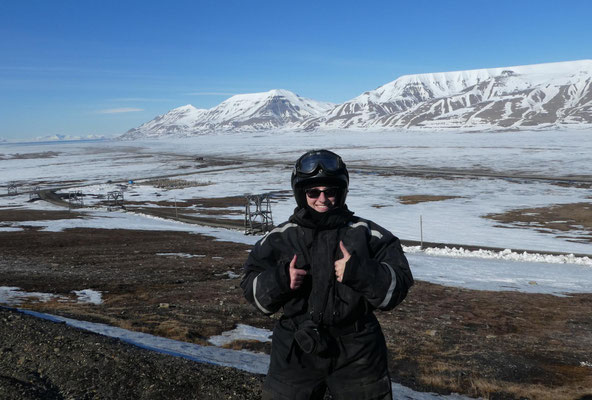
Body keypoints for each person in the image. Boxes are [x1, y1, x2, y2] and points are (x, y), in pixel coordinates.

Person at [241, 149, 413, 400]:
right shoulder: (280, 237)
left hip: (358, 351)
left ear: (341, 192)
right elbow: (249, 283)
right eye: (313, 192)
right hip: (294, 349)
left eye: (330, 191)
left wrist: (359, 272)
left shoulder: (368, 234)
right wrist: (279, 281)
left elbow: (399, 284)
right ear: (301, 193)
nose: (322, 199)